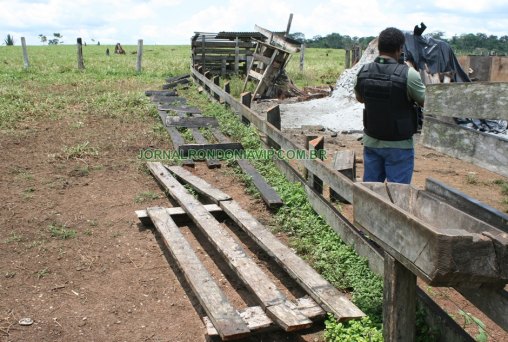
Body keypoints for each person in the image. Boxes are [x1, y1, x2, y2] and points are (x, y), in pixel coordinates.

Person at [354, 27, 425, 184]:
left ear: (379, 47)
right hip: (399, 145)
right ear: (400, 48)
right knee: (397, 195)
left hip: (372, 140)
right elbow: (425, 101)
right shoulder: (409, 74)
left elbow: (360, 99)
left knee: (371, 192)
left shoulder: (363, 72)